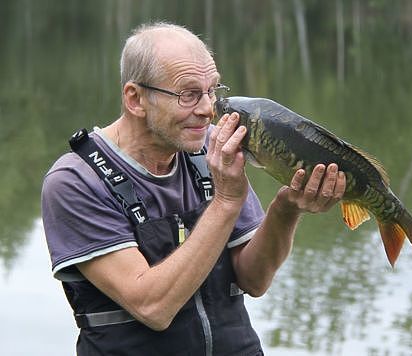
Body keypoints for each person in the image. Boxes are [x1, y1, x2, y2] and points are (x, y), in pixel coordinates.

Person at [41, 21, 346, 356]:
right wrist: (226, 201)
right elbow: (152, 306)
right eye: (188, 95)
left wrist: (286, 209)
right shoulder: (75, 181)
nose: (208, 109)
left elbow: (254, 280)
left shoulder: (212, 147)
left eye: (212, 90)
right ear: (135, 98)